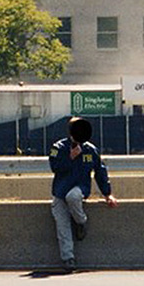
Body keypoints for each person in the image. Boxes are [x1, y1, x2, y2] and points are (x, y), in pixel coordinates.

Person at [49, 116, 117, 272]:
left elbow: (100, 172)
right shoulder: (58, 148)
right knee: (62, 226)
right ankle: (68, 259)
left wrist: (107, 194)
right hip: (60, 191)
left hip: (80, 188)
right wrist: (70, 158)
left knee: (72, 197)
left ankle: (81, 221)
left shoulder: (90, 150)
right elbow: (55, 167)